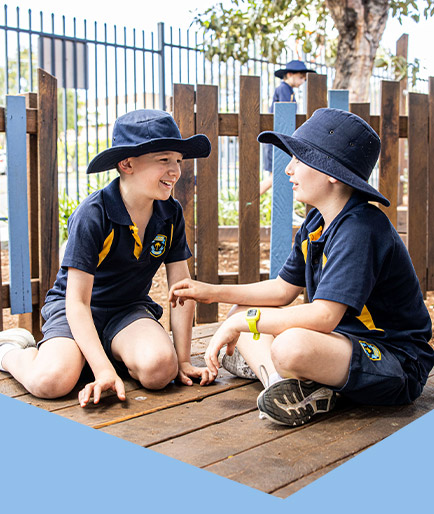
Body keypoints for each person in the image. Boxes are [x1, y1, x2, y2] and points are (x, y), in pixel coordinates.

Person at [169, 107, 434, 427]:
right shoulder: (316, 223)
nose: (288, 170)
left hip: (394, 362)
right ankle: (284, 388)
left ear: (330, 171)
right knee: (241, 313)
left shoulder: (361, 228)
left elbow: (323, 316)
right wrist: (211, 292)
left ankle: (287, 376)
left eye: (299, 159)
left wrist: (244, 326)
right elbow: (282, 289)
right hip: (342, 344)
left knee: (288, 345)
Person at [0, 109, 214, 406]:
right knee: (51, 381)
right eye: (164, 160)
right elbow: (76, 302)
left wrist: (183, 360)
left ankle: (102, 355)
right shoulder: (94, 214)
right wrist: (103, 370)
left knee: (160, 370)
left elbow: (182, 290)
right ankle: (5, 351)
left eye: (178, 161)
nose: (176, 171)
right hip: (78, 310)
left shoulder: (170, 214)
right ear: (127, 163)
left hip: (127, 310)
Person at [260, 59, 316, 195]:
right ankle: (248, 198)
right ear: (290, 74)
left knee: (276, 176)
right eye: (301, 77)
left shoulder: (287, 89)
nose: (303, 81)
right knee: (275, 176)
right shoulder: (284, 89)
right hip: (278, 139)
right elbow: (286, 114)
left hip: (278, 137)